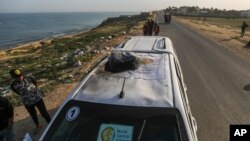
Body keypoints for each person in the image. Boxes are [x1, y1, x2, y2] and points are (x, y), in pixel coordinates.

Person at [9, 69, 51, 135]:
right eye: (17, 77)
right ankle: (38, 125)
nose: (20, 77)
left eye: (20, 76)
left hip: (38, 99)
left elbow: (36, 85)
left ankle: (50, 123)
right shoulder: (13, 85)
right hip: (28, 103)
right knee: (33, 114)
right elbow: (18, 92)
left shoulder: (30, 78)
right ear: (13, 77)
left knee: (44, 113)